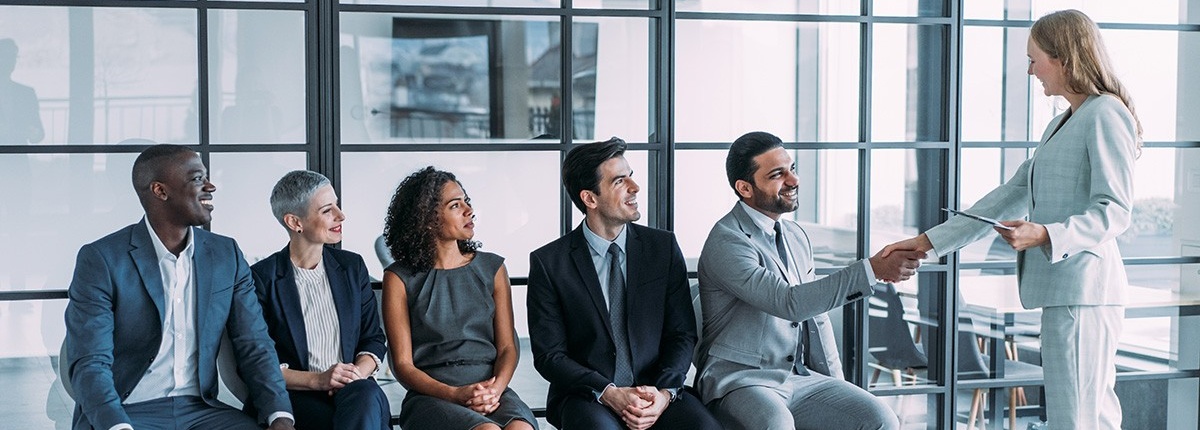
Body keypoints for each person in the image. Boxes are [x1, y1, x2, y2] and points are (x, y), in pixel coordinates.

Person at [881, 10, 1140, 430]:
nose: (1030, 70)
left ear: (1065, 59)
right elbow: (1009, 196)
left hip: (1084, 291)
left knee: (1077, 419)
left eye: (1035, 59)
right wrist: (925, 243)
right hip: (1065, 292)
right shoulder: (1062, 122)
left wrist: (1044, 233)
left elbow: (1115, 209)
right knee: (1083, 416)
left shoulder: (1105, 113)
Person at [695, 131, 925, 430]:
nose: (793, 180)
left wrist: (837, 384)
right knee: (775, 424)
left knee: (880, 419)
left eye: (792, 168)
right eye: (778, 174)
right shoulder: (728, 241)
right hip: (742, 380)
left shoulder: (795, 236)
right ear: (745, 188)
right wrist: (873, 269)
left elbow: (817, 318)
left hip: (800, 378)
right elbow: (789, 302)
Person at [63, 144, 294, 430]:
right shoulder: (102, 259)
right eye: (197, 179)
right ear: (160, 191)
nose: (210, 186)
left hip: (203, 411)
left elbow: (255, 344)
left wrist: (279, 415)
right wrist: (116, 425)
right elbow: (90, 362)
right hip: (127, 411)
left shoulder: (226, 254)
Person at [527, 137, 723, 430]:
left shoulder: (663, 248)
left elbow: (681, 333)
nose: (635, 188)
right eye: (620, 181)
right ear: (590, 198)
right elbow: (550, 355)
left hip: (656, 390)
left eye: (631, 176)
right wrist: (609, 393)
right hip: (588, 396)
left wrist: (664, 393)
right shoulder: (549, 263)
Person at [381, 167, 537, 430]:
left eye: (468, 202)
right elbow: (403, 365)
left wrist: (496, 390)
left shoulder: (493, 268)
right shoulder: (398, 278)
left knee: (520, 428)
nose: (469, 211)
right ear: (428, 218)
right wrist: (455, 394)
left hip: (490, 390)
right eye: (456, 205)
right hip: (432, 396)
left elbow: (508, 348)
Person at [250, 170, 391, 430]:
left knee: (366, 396)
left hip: (355, 389)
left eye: (336, 205)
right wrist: (320, 380)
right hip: (296, 394)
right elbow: (259, 360)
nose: (341, 215)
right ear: (295, 222)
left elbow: (373, 338)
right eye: (327, 210)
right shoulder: (262, 278)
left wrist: (353, 376)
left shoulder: (352, 266)